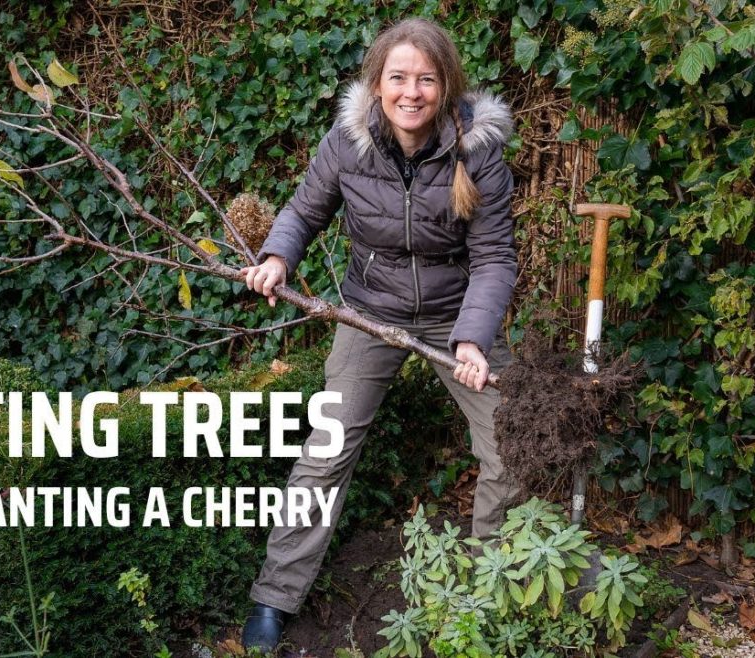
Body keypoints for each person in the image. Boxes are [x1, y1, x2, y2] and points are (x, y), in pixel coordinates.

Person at [238, 17, 519, 652]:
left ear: (446, 86)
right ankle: (274, 598)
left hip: (457, 314)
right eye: (398, 78)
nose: (411, 92)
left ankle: (490, 584)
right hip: (372, 308)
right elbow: (305, 209)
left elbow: (496, 258)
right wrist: (279, 256)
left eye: (426, 79)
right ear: (377, 83)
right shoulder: (348, 142)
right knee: (325, 451)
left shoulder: (479, 152)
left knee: (508, 441)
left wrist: (472, 340)